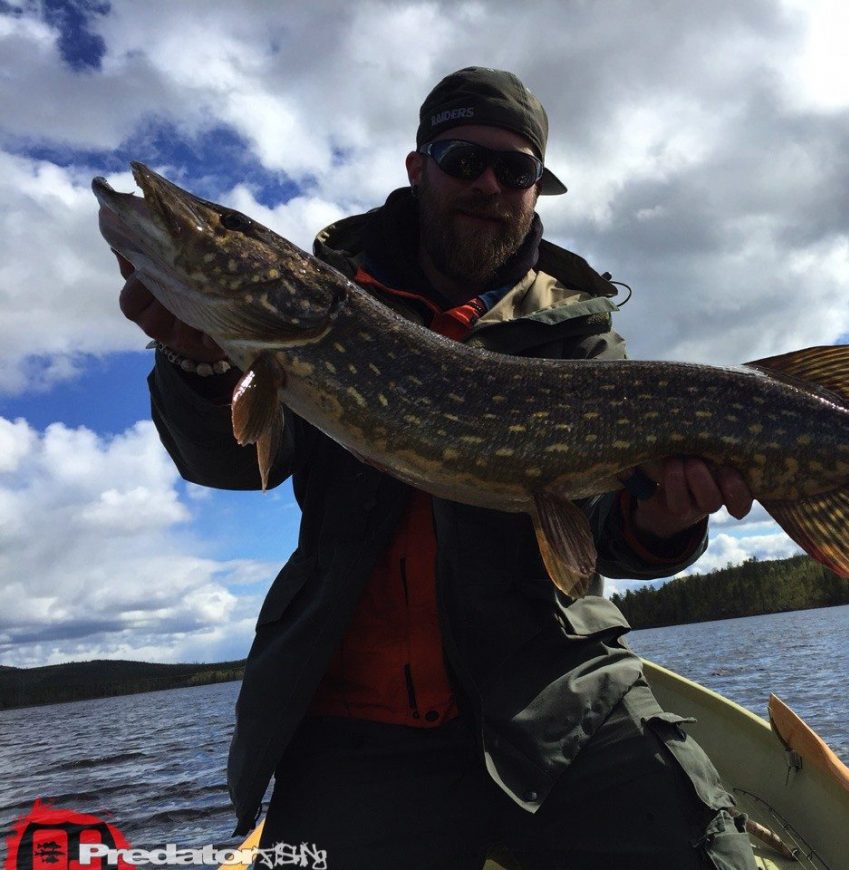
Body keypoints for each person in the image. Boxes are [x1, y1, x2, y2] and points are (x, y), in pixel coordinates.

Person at [115, 67, 758, 869]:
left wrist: (666, 517)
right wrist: (200, 362)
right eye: (464, 160)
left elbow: (599, 534)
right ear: (419, 168)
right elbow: (232, 464)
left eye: (515, 170)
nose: (488, 184)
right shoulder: (329, 308)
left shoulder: (580, 336)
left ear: (536, 191)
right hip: (359, 724)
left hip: (558, 696)